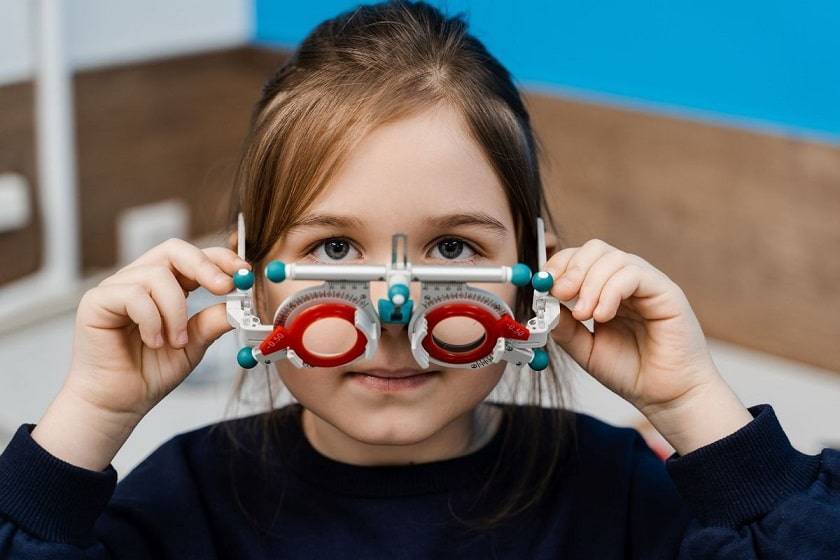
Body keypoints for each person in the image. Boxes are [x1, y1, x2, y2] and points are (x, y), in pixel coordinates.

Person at [1, 1, 837, 558]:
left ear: (534, 274)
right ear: (252, 280)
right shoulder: (186, 502)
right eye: (334, 249)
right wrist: (89, 418)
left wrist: (697, 407)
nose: (394, 317)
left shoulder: (617, 490)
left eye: (452, 249)